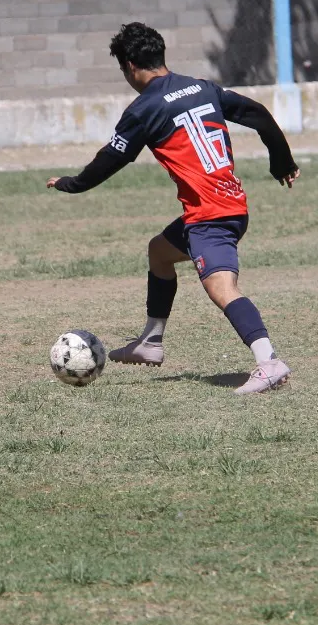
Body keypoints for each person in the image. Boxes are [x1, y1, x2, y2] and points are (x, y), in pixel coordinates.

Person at [46, 23, 300, 395]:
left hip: (210, 214)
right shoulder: (202, 87)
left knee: (222, 288)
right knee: (160, 252)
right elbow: (258, 114)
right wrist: (282, 161)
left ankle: (269, 361)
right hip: (229, 203)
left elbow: (110, 159)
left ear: (131, 66)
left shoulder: (144, 108)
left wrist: (72, 183)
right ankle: (150, 342)